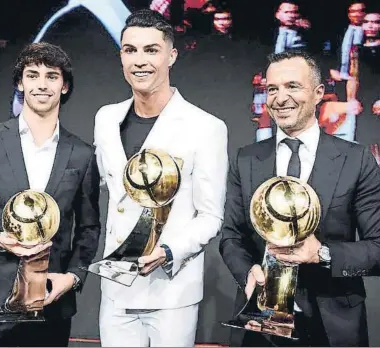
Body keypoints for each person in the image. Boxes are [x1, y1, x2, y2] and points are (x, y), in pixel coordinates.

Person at [219, 50, 380, 347]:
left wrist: (321, 254)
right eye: (272, 89)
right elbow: (231, 236)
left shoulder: (356, 159)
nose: (280, 98)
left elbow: (378, 246)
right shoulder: (247, 159)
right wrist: (248, 273)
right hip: (260, 325)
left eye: (292, 86)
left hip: (333, 327)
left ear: (319, 93)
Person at [93, 9, 228, 347]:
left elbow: (211, 215)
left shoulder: (206, 127)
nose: (140, 61)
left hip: (172, 291)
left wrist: (169, 251)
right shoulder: (106, 119)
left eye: (151, 50)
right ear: (121, 56)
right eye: (130, 50)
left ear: (172, 56)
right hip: (116, 289)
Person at [0, 42, 101, 347]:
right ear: (21, 83)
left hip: (50, 305)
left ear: (64, 86)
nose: (41, 84)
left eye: (52, 76)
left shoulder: (82, 154)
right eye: (32, 75)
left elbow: (89, 228)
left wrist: (73, 277)